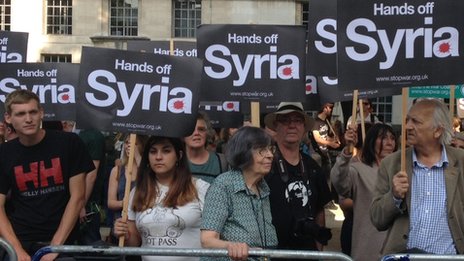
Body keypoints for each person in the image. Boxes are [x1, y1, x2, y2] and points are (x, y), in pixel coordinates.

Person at [0, 89, 94, 261]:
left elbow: (78, 197)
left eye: (33, 112)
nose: (28, 119)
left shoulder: (68, 143)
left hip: (63, 242)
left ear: (41, 113)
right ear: (8, 118)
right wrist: (17, 250)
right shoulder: (3, 153)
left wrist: (54, 248)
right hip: (20, 241)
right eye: (20, 114)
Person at [370, 99, 464, 255]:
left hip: (449, 258)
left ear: (438, 131)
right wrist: (394, 197)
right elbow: (377, 219)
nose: (407, 127)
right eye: (407, 120)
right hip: (404, 256)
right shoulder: (392, 164)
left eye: (416, 122)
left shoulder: (461, 162)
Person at [113, 136, 210, 261]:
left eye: (166, 151)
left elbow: (215, 236)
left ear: (179, 156)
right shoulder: (137, 192)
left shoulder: (200, 188)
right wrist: (124, 234)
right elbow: (134, 243)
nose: (158, 157)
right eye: (153, 151)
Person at [264, 102, 332, 259]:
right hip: (272, 252)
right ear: (276, 126)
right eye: (285, 120)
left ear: (303, 127)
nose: (292, 126)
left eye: (297, 121)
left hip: (307, 252)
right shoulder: (265, 164)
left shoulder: (313, 166)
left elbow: (319, 210)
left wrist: (318, 246)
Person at [201, 126, 278, 261]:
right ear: (244, 153)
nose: (270, 155)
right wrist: (233, 247)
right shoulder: (224, 185)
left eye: (270, 149)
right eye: (262, 150)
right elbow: (207, 241)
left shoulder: (263, 187)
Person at [331, 123, 397, 261]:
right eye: (383, 138)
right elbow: (339, 181)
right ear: (371, 141)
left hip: (396, 248)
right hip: (368, 247)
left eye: (392, 138)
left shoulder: (402, 171)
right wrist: (347, 152)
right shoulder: (358, 170)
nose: (389, 142)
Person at [107, 134, 146, 242]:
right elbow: (110, 202)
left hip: (142, 225)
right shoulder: (117, 170)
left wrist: (138, 157)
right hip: (121, 225)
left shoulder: (147, 170)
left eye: (134, 143)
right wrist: (125, 203)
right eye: (127, 143)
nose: (129, 146)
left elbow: (149, 182)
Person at [77, 128, 107, 245]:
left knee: (89, 247)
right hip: (73, 203)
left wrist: (81, 204)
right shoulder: (78, 133)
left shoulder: (93, 135)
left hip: (87, 206)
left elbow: (91, 174)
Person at [184, 112, 228, 184]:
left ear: (207, 133)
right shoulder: (175, 162)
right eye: (191, 130)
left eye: (201, 129)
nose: (196, 133)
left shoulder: (222, 162)